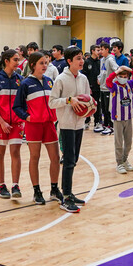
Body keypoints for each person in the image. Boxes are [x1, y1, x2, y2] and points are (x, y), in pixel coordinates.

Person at [14, 51, 63, 206]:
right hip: (33, 125)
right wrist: (28, 117)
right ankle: (37, 191)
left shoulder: (49, 82)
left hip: (49, 124)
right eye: (42, 63)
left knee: (55, 157)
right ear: (33, 65)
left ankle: (54, 189)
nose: (45, 66)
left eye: (46, 63)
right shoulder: (25, 83)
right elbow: (17, 106)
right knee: (35, 157)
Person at [48, 46, 92, 213]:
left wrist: (88, 109)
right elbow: (52, 102)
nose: (82, 61)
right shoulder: (60, 79)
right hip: (66, 125)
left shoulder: (84, 79)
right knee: (67, 162)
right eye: (78, 59)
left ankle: (70, 193)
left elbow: (88, 100)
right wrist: (68, 100)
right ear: (69, 61)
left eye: (82, 58)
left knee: (73, 160)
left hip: (79, 124)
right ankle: (65, 197)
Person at [0, 49, 24, 198]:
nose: (18, 62)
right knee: (0, 153)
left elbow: (23, 102)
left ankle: (15, 185)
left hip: (16, 122)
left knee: (15, 152)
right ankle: (1, 185)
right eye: (15, 60)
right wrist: (2, 122)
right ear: (7, 61)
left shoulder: (20, 80)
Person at [105, 65, 133, 174]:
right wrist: (116, 72)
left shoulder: (130, 84)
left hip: (128, 117)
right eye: (121, 76)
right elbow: (107, 81)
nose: (123, 77)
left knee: (129, 142)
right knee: (119, 142)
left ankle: (125, 159)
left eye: (125, 76)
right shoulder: (114, 86)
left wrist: (130, 70)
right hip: (118, 118)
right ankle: (119, 163)